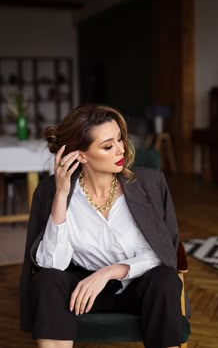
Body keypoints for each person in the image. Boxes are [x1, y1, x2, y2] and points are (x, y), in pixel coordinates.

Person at [20, 104, 183, 348]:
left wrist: (108, 272)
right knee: (47, 281)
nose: (121, 150)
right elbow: (51, 264)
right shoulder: (51, 193)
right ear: (81, 156)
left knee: (166, 279)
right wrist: (61, 196)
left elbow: (163, 252)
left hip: (137, 287)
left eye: (120, 139)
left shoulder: (150, 184)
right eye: (108, 146)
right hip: (81, 294)